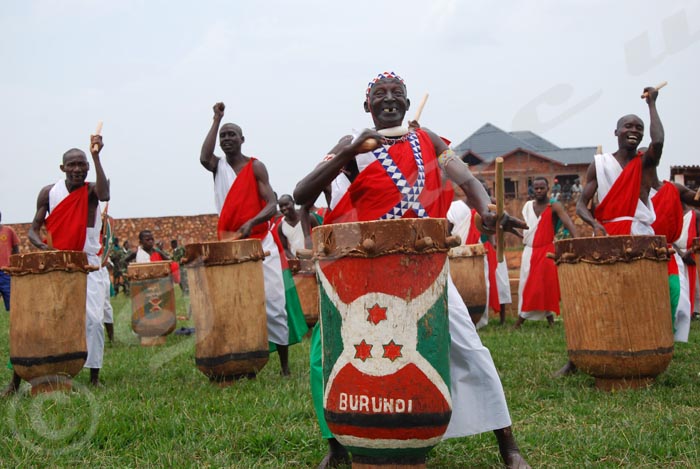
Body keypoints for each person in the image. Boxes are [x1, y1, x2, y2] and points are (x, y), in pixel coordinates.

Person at [294, 72, 530, 469]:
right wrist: (351, 152)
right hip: (364, 273)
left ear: (405, 103)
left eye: (397, 94)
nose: (390, 99)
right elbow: (302, 193)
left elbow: (468, 180)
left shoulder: (428, 140)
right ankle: (336, 446)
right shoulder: (352, 145)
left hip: (426, 268)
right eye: (380, 95)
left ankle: (507, 444)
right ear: (366, 105)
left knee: (471, 349)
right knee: (330, 357)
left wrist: (486, 208)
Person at [557, 85, 664, 378]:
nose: (634, 130)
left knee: (637, 298)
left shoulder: (646, 162)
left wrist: (652, 105)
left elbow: (659, 139)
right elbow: (581, 205)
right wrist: (594, 224)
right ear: (615, 132)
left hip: (638, 233)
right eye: (628, 126)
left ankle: (641, 351)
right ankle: (579, 357)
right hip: (604, 236)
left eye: (638, 127)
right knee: (597, 298)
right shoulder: (599, 164)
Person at [200, 102, 307, 376]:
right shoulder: (218, 166)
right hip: (230, 245)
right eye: (223, 135)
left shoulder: (255, 166)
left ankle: (284, 366)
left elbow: (271, 204)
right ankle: (248, 363)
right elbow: (203, 157)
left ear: (242, 139)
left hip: (261, 243)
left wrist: (252, 222)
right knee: (238, 304)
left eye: (231, 134)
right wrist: (216, 120)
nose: (226, 139)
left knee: (273, 303)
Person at [4, 134, 110, 394]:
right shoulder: (49, 193)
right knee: (38, 321)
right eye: (71, 165)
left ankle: (94, 376)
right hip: (56, 262)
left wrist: (96, 156)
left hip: (87, 263)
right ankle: (16, 380)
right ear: (62, 168)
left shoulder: (92, 191)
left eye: (81, 164)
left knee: (94, 321)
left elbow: (106, 193)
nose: (77, 169)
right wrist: (43, 248)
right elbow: (33, 229)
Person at [513, 177, 577, 329]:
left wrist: (578, 241)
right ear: (532, 190)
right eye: (536, 188)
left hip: (546, 251)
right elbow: (526, 229)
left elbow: (568, 223)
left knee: (540, 285)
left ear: (548, 189)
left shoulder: (554, 206)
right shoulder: (528, 206)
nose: (539, 191)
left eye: (542, 188)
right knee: (527, 284)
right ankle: (550, 321)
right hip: (528, 250)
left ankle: (520, 321)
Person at [277, 194, 319, 259]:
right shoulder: (281, 226)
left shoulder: (309, 217)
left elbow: (320, 236)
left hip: (314, 257)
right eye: (281, 206)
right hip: (298, 262)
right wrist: (294, 259)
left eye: (286, 204)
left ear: (293, 203)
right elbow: (285, 249)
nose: (284, 208)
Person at [0, 211, 20, 312]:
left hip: (6, 272)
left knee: (12, 302)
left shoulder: (8, 231)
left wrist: (16, 265)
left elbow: (16, 249)